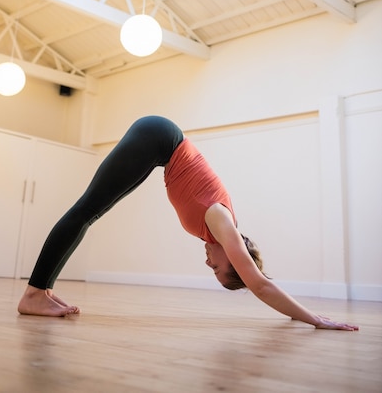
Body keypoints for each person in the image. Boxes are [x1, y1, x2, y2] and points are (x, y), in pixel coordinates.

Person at [18, 116, 358, 330]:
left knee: (89, 212)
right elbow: (260, 284)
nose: (207, 263)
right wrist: (314, 318)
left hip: (160, 146)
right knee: (86, 210)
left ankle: (43, 291)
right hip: (159, 137)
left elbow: (256, 280)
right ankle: (34, 293)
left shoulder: (218, 226)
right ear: (233, 256)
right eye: (217, 269)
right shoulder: (222, 223)